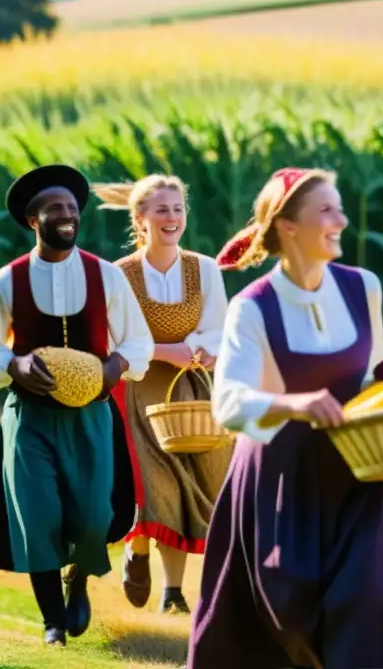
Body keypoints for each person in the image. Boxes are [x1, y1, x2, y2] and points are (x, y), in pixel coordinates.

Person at [185, 166, 383, 669]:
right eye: (327, 210)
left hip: (361, 469)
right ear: (287, 226)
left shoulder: (366, 287)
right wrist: (294, 404)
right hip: (281, 477)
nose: (341, 219)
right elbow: (228, 401)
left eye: (339, 207)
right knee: (290, 616)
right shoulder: (251, 308)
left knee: (367, 608)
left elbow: (375, 381)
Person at [0, 164, 154, 647]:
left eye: (72, 208)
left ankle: (80, 578)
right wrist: (15, 365)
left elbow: (139, 342)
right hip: (30, 419)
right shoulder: (5, 281)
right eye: (55, 209)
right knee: (38, 515)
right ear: (34, 221)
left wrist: (112, 368)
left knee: (94, 516)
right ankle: (52, 619)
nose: (67, 216)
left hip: (91, 417)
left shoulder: (106, 275)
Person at [91, 175, 232, 615]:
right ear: (140, 220)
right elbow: (115, 339)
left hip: (190, 391)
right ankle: (140, 551)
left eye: (177, 209)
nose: (171, 218)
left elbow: (217, 326)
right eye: (161, 210)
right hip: (136, 390)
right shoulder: (119, 275)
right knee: (155, 484)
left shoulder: (204, 268)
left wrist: (204, 349)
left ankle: (173, 593)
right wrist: (171, 349)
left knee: (196, 482)